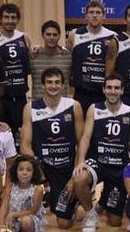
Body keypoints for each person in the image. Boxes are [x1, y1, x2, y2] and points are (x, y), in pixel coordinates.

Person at [20, 67, 84, 229]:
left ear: (63, 85)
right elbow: (25, 145)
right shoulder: (31, 108)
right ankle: (45, 196)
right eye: (49, 82)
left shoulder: (74, 106)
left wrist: (75, 175)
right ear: (43, 85)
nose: (53, 86)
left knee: (64, 223)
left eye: (57, 82)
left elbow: (81, 142)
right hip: (44, 166)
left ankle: (77, 199)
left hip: (66, 166)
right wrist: (37, 168)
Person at [73, 73, 130, 230]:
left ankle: (104, 201)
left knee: (115, 221)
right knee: (79, 178)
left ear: (122, 90)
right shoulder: (94, 109)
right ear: (103, 89)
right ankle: (90, 215)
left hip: (119, 167)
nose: (113, 91)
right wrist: (81, 161)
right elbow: (86, 138)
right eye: (109, 87)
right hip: (98, 162)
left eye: (117, 88)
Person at [0, 3, 32, 136]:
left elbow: (30, 58)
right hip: (1, 97)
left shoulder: (24, 37)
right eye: (6, 17)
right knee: (1, 133)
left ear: (18, 20)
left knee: (20, 133)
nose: (10, 21)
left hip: (20, 96)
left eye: (13, 17)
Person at [69, 0, 118, 113]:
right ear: (86, 16)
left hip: (102, 93)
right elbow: (68, 56)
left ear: (104, 16)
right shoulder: (74, 34)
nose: (94, 15)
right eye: (91, 12)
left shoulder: (112, 36)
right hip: (82, 92)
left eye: (98, 12)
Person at [0, 155, 47, 232]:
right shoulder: (10, 186)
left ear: (34, 172)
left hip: (29, 219)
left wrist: (13, 214)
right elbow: (4, 206)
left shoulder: (38, 189)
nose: (24, 173)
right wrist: (1, 223)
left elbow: (32, 211)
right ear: (15, 171)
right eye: (21, 169)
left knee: (26, 221)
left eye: (28, 170)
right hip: (11, 219)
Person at [30, 20, 72, 99]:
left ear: (59, 36)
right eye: (48, 34)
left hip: (62, 107)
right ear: (43, 35)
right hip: (38, 106)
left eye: (55, 35)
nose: (52, 38)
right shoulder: (33, 56)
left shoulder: (67, 57)